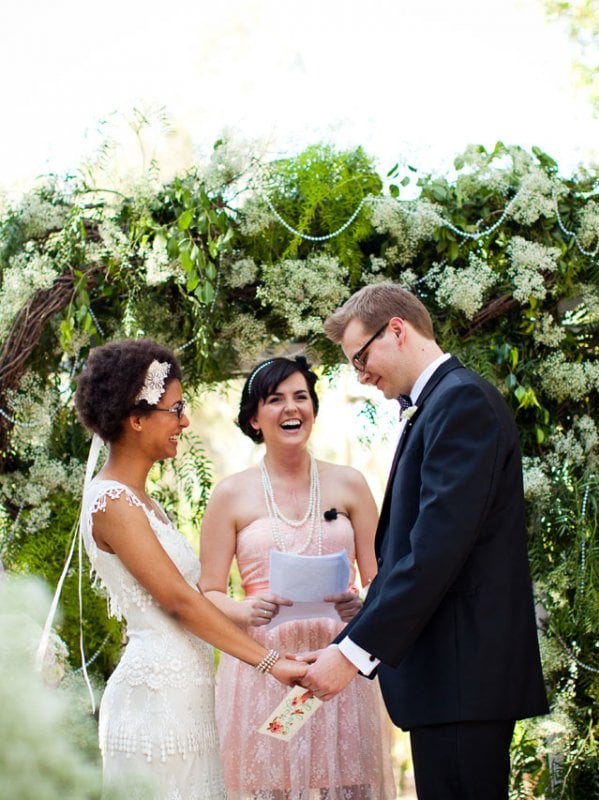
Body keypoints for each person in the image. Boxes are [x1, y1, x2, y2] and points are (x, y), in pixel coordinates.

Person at [299, 284, 549, 800]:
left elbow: (436, 551)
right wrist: (370, 610)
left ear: (396, 328)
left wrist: (351, 654)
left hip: (462, 677)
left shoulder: (460, 403)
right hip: (449, 679)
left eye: (361, 358)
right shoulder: (443, 403)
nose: (361, 375)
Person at [74, 340, 306, 800]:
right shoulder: (112, 503)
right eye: (175, 408)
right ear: (136, 419)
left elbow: (192, 597)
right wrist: (271, 663)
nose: (184, 421)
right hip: (155, 701)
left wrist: (257, 620)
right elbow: (180, 603)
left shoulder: (143, 502)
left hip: (186, 694)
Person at [199, 356, 395, 800]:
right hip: (263, 668)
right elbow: (208, 593)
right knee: (270, 786)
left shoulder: (349, 484)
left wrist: (361, 604)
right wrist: (244, 608)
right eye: (276, 399)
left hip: (340, 664)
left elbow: (381, 580)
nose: (292, 408)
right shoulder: (230, 494)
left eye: (301, 397)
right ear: (254, 417)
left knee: (346, 784)